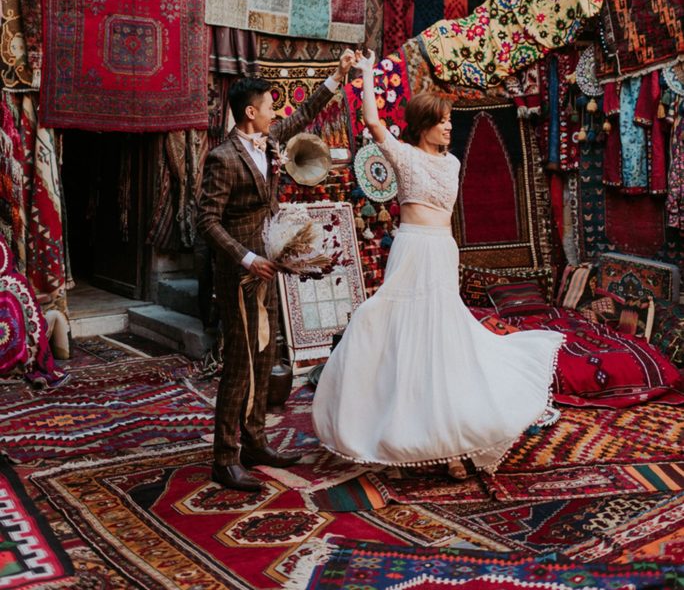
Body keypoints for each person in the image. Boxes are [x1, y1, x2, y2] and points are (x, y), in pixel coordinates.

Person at [312, 50, 564, 476]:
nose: (450, 126)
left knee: (442, 341)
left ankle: (450, 448)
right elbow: (373, 123)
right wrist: (369, 74)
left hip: (442, 250)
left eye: (450, 120)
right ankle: (392, 444)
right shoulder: (405, 155)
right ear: (425, 125)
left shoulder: (452, 161)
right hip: (411, 249)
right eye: (443, 120)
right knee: (398, 336)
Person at [198, 49, 356, 493]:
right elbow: (206, 221)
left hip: (266, 270)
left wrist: (337, 75)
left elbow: (304, 114)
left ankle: (254, 442)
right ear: (250, 113)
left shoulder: (267, 142)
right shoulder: (223, 158)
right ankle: (224, 458)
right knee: (240, 364)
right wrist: (246, 258)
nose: (275, 114)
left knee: (265, 356)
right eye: (269, 108)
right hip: (241, 273)